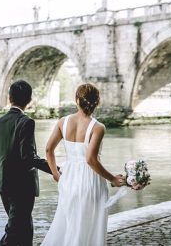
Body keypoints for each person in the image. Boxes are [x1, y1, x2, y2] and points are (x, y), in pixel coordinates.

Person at [41, 83, 124, 246]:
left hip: (69, 179)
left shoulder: (62, 122)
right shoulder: (98, 127)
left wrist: (56, 174)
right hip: (90, 181)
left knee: (68, 224)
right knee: (89, 227)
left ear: (76, 100)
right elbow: (91, 160)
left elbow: (48, 149)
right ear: (97, 102)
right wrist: (112, 178)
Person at [0, 80, 54, 246]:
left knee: (24, 229)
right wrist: (56, 169)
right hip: (22, 187)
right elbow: (28, 157)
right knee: (15, 231)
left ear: (9, 98)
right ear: (29, 100)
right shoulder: (26, 122)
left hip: (3, 185)